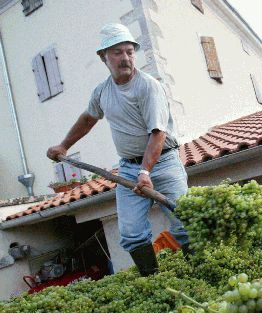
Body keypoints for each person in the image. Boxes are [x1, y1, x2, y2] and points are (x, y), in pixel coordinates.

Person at [47, 23, 190, 276]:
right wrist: (64, 146)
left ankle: (203, 270)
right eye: (117, 52)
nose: (125, 58)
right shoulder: (102, 92)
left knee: (185, 224)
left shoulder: (148, 86)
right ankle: (153, 280)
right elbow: (88, 119)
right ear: (103, 57)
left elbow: (157, 133)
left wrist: (146, 172)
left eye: (129, 52)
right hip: (128, 168)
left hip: (163, 163)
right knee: (132, 233)